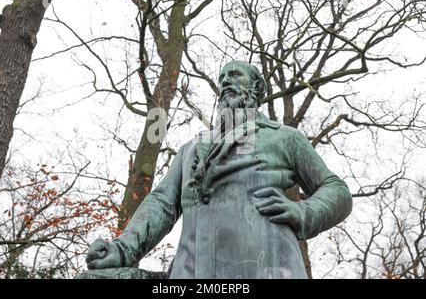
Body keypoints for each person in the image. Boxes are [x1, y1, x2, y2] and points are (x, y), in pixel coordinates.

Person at [83, 60, 353, 279]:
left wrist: (302, 211)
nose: (225, 82)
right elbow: (162, 203)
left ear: (257, 87)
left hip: (264, 268)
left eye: (234, 75)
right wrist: (122, 249)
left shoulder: (284, 138)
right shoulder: (192, 148)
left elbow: (337, 190)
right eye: (222, 78)